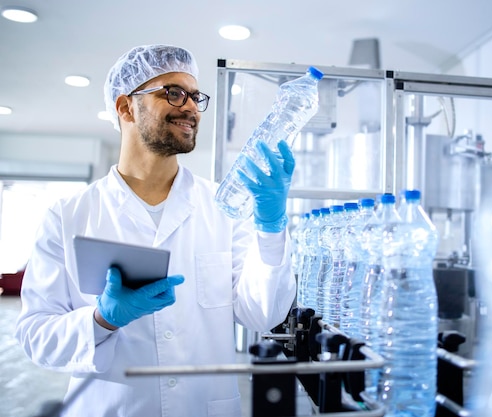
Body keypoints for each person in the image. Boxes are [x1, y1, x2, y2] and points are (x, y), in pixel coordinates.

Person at [14, 44, 296, 417]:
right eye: (173, 93)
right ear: (126, 107)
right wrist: (102, 320)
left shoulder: (224, 208)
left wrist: (271, 227)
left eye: (196, 96)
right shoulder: (68, 215)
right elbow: (37, 337)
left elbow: (263, 315)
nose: (191, 107)